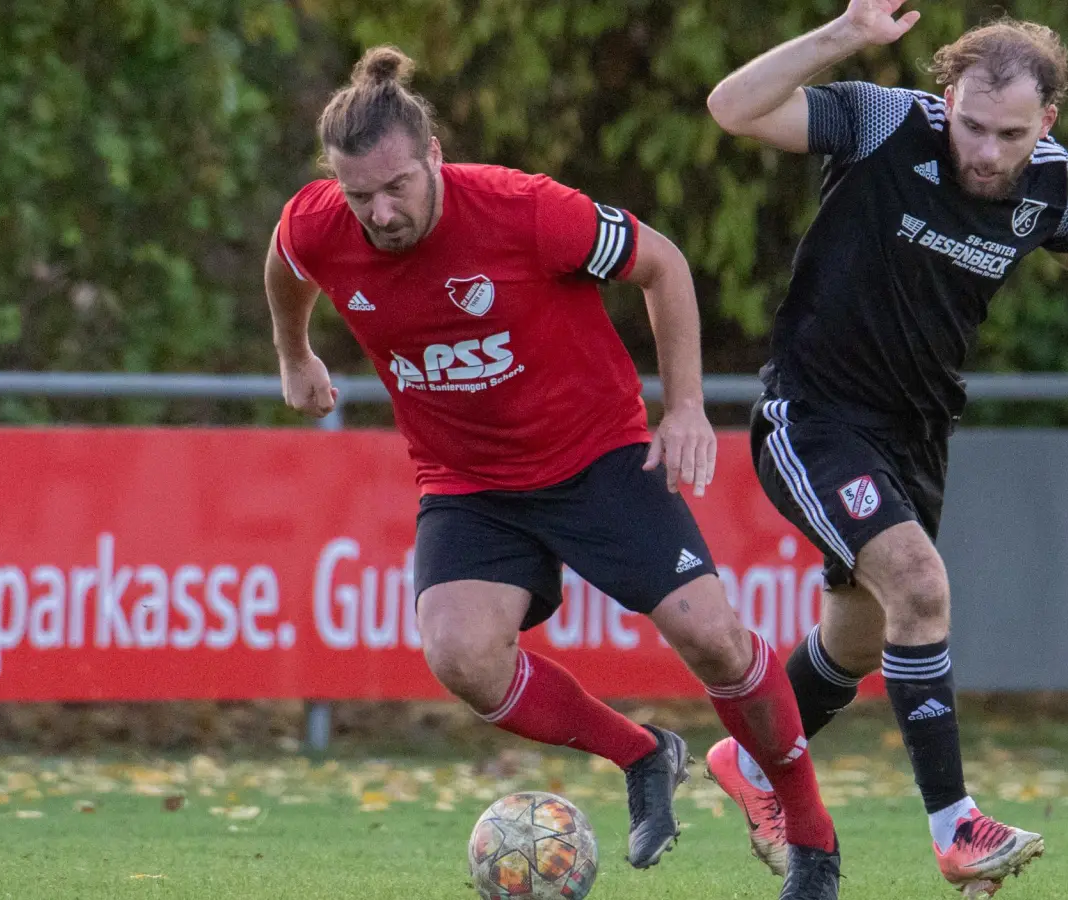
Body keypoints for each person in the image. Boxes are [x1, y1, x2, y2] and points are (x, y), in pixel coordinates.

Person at [702, 2, 1068, 894]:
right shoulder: (885, 123)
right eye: (970, 124)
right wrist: (844, 35)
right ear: (947, 99)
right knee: (920, 586)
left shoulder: (1053, 184)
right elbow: (733, 109)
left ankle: (746, 763)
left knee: (855, 644)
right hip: (814, 417)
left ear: (1046, 120)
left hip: (916, 437)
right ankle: (956, 828)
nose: (984, 150)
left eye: (1009, 134)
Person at [263, 45, 842, 899]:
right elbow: (287, 263)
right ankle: (643, 755)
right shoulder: (320, 223)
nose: (379, 212)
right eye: (359, 196)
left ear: (433, 157)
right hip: (467, 480)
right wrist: (294, 354)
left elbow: (663, 265)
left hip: (596, 457)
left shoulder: (527, 210)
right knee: (461, 656)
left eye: (397, 187)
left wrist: (684, 406)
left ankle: (812, 839)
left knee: (713, 639)